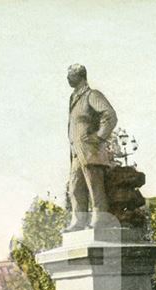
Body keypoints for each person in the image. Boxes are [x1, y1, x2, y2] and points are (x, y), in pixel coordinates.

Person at [65, 63, 118, 231]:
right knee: (75, 187)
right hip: (76, 152)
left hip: (91, 150)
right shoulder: (73, 98)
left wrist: (99, 136)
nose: (67, 78)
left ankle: (99, 219)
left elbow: (109, 115)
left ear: (80, 76)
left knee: (94, 186)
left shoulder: (92, 95)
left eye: (70, 75)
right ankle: (78, 221)